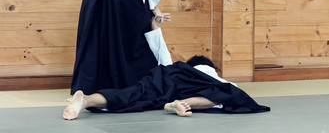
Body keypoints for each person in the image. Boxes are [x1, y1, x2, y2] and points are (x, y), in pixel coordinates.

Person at [63, 55, 270, 120]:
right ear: (211, 67)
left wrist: (154, 25)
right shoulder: (211, 75)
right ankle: (182, 104)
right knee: (229, 93)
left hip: (164, 75)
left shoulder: (179, 68)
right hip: (188, 87)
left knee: (136, 93)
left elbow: (159, 48)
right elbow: (229, 89)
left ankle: (87, 99)